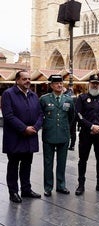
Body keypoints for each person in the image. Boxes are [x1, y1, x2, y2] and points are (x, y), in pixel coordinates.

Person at [1, 70, 43, 203]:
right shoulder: (8, 94)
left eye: (29, 79)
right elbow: (8, 115)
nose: (28, 81)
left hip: (30, 136)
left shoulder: (34, 95)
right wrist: (24, 128)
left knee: (27, 164)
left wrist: (35, 128)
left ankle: (26, 189)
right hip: (15, 137)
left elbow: (40, 115)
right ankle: (13, 192)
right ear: (17, 80)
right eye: (25, 79)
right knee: (13, 164)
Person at [75, 74, 99, 195]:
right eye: (93, 83)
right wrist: (91, 126)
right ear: (89, 84)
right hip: (86, 133)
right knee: (82, 159)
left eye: (97, 83)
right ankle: (81, 184)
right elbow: (79, 115)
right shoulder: (82, 98)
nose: (95, 85)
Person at [40, 75, 75, 197]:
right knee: (48, 163)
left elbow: (71, 117)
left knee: (62, 162)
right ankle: (48, 187)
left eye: (61, 83)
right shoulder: (44, 99)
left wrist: (65, 128)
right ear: (51, 85)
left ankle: (61, 185)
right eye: (56, 83)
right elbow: (40, 116)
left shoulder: (69, 99)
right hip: (49, 135)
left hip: (63, 135)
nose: (59, 85)